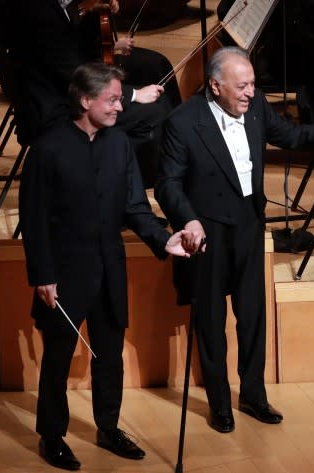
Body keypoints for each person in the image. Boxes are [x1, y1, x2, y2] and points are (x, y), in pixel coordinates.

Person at [155, 46, 314, 434]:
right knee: (211, 320)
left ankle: (253, 394)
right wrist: (188, 221)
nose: (251, 92)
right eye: (242, 86)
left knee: (252, 316)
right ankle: (220, 402)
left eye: (253, 83)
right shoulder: (183, 122)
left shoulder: (254, 107)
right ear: (215, 85)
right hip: (207, 232)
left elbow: (292, 134)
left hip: (250, 228)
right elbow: (168, 184)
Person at [19, 63, 192, 471]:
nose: (120, 106)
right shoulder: (48, 148)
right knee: (59, 356)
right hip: (63, 271)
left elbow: (135, 207)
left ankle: (108, 426)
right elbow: (35, 217)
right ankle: (52, 434)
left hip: (109, 268)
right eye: (112, 99)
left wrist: (161, 239)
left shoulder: (120, 146)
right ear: (85, 100)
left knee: (109, 354)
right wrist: (42, 275)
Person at [8, 0, 178, 186]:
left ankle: (172, 167)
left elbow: (82, 51)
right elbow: (75, 74)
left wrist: (92, 15)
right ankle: (123, 189)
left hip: (70, 93)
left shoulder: (57, 7)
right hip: (55, 107)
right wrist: (133, 94)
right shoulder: (38, 12)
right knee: (154, 114)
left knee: (157, 95)